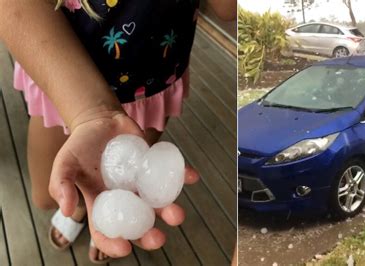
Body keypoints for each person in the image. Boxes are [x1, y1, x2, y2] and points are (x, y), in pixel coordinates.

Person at [0, 0, 236, 263]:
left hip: (153, 81)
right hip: (61, 77)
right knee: (46, 195)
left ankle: (90, 213)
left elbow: (228, 10)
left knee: (122, 179)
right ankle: (82, 208)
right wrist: (90, 112)